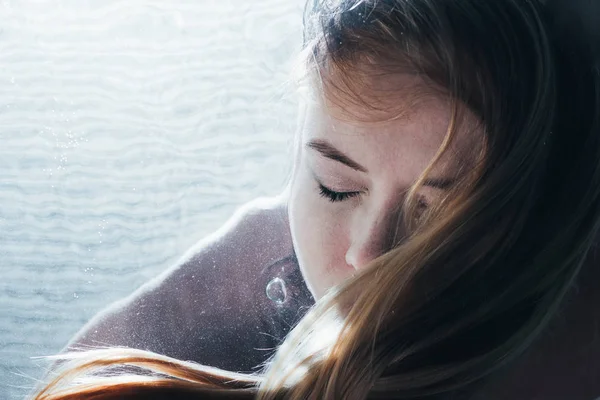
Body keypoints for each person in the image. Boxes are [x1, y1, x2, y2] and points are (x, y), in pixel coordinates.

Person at [34, 0, 600, 398]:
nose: (367, 254)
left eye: (436, 211)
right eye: (337, 187)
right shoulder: (262, 249)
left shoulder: (567, 340)